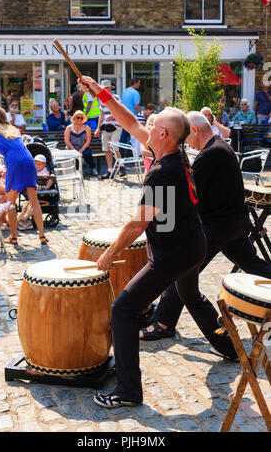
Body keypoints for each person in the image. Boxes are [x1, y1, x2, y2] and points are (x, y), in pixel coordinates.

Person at [78, 76, 237, 408]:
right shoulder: (173, 154)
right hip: (193, 244)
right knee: (191, 296)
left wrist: (109, 253)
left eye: (154, 127)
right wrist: (100, 92)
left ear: (164, 135)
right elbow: (130, 121)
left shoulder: (164, 171)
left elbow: (139, 222)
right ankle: (231, 349)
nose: (146, 130)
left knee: (123, 309)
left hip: (173, 254)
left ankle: (128, 391)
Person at [140, 111, 271, 343]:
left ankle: (163, 322)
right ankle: (164, 320)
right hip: (234, 225)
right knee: (253, 265)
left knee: (182, 271)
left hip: (218, 228)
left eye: (186, 136)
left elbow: (187, 192)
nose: (185, 141)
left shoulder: (212, 154)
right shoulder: (220, 146)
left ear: (195, 131)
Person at [0, 106, 48, 246]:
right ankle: (42, 236)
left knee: (11, 203)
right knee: (34, 200)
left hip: (14, 162)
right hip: (28, 160)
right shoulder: (14, 130)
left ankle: (14, 238)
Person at [94, 79, 125, 179]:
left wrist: (113, 117)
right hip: (105, 126)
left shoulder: (116, 97)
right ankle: (110, 170)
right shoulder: (101, 99)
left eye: (106, 88)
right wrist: (98, 128)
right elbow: (101, 114)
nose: (105, 89)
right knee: (107, 149)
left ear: (110, 88)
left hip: (116, 126)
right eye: (104, 88)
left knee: (115, 147)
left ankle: (121, 166)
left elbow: (121, 110)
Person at [64, 110, 98, 176]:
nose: (80, 119)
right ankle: (76, 171)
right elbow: (66, 140)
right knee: (72, 155)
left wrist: (81, 150)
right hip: (71, 147)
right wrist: (74, 150)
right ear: (74, 118)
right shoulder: (69, 128)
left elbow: (88, 141)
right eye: (78, 117)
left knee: (87, 153)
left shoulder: (87, 128)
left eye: (81, 118)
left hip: (83, 147)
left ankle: (93, 168)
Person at [120, 77, 141, 146]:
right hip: (132, 117)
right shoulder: (135, 93)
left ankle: (120, 152)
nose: (139, 85)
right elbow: (136, 106)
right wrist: (139, 115)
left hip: (124, 116)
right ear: (135, 83)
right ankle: (134, 153)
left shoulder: (125, 91)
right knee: (134, 137)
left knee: (123, 136)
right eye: (139, 83)